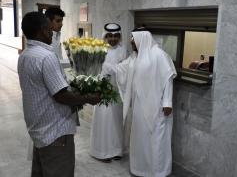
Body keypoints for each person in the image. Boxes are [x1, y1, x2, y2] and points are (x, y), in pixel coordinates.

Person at [18, 11, 102, 177]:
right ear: (42, 30)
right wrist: (90, 98)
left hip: (39, 130)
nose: (53, 32)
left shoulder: (25, 55)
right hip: (55, 133)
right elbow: (61, 96)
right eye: (50, 28)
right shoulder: (46, 56)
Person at [105, 28, 177, 177]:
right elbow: (121, 69)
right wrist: (104, 64)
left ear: (142, 39)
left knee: (156, 140)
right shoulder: (135, 57)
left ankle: (158, 171)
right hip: (139, 106)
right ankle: (141, 169)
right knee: (141, 139)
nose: (131, 42)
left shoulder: (159, 55)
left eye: (133, 39)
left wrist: (167, 102)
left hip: (157, 107)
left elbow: (168, 77)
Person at [90, 23, 127, 163]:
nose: (113, 39)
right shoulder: (98, 49)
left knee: (117, 121)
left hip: (117, 92)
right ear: (105, 36)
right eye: (110, 36)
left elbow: (125, 69)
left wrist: (116, 69)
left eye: (116, 36)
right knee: (104, 121)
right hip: (102, 91)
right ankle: (102, 152)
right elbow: (95, 69)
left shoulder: (123, 49)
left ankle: (116, 150)